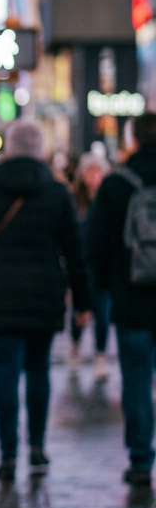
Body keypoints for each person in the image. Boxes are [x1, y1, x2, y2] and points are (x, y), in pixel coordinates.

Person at [0, 119, 91, 481]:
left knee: (5, 374)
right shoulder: (57, 193)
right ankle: (37, 448)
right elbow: (74, 250)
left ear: (9, 149)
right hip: (44, 295)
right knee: (39, 370)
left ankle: (8, 454)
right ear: (39, 151)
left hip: (2, 295)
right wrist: (83, 302)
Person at [86, 111, 156, 488]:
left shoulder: (116, 184)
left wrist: (100, 287)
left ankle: (141, 461)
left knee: (136, 380)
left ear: (133, 139)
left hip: (131, 300)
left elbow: (94, 245)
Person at [70, 150, 111, 381]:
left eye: (98, 172)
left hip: (101, 267)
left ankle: (100, 356)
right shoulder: (76, 203)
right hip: (81, 267)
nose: (94, 177)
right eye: (90, 172)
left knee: (102, 314)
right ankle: (75, 345)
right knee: (79, 314)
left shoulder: (108, 200)